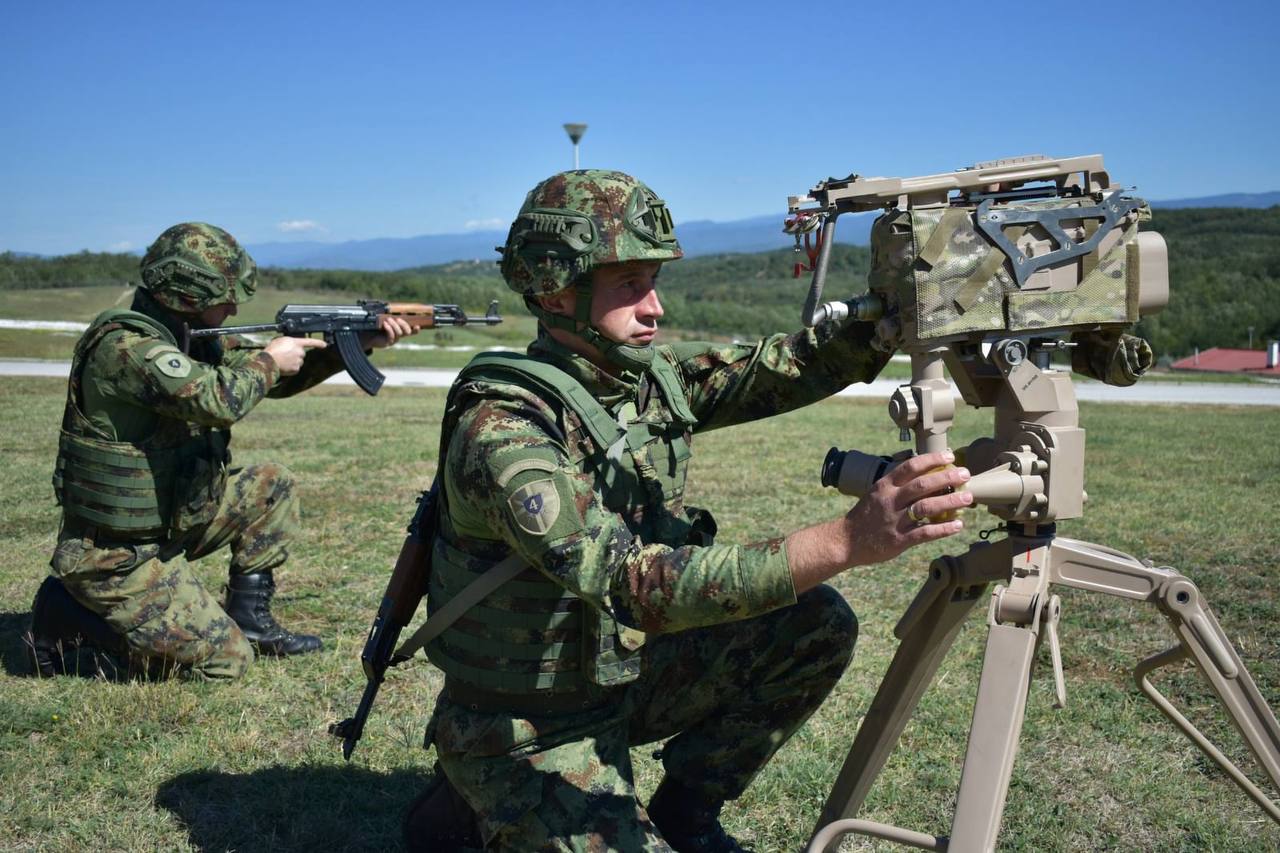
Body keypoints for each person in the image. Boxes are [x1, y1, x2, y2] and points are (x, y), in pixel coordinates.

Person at [405, 171, 972, 852]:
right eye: (629, 285)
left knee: (813, 625)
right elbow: (630, 582)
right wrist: (850, 538)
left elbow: (774, 368)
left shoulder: (639, 383)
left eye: (654, 281)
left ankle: (685, 809)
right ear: (557, 287)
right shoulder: (503, 430)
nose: (654, 308)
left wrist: (886, 320)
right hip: (529, 717)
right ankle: (480, 791)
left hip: (618, 676)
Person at [26, 222, 416, 680]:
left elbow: (269, 380)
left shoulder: (187, 335)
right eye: (223, 297)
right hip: (115, 553)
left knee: (270, 484)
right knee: (225, 662)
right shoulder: (127, 348)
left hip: (169, 520)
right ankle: (69, 619)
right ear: (185, 294)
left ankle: (250, 621)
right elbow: (216, 399)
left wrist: (351, 346)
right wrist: (270, 359)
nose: (232, 307)